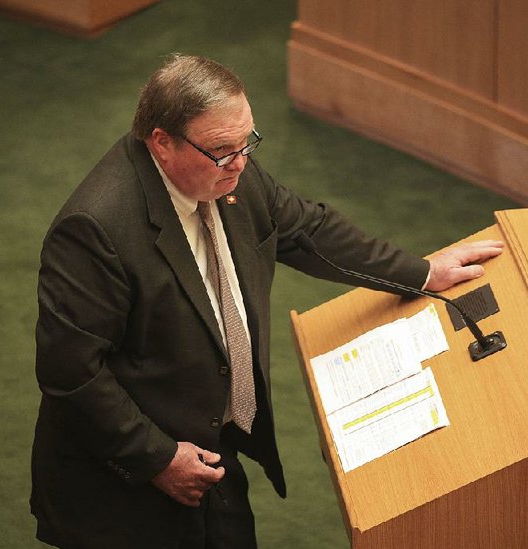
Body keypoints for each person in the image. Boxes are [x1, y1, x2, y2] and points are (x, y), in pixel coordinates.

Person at [30, 54, 503, 549]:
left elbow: (307, 230)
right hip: (126, 485)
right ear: (162, 143)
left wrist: (423, 273)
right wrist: (157, 458)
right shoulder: (95, 229)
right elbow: (72, 373)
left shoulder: (230, 173)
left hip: (212, 453)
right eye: (221, 150)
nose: (240, 162)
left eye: (247, 143)